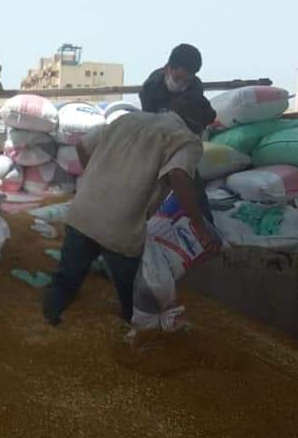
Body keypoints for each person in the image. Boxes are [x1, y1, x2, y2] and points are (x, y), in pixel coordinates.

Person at [42, 110, 220, 326]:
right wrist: (199, 225)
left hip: (83, 213)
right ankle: (131, 328)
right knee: (131, 294)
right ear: (200, 127)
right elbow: (178, 174)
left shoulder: (128, 119)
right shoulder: (186, 139)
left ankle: (49, 321)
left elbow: (82, 145)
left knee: (65, 279)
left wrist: (94, 176)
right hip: (122, 225)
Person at [139, 44, 217, 222]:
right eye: (178, 78)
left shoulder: (195, 87)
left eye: (186, 81)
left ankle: (206, 224)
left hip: (182, 141)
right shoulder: (150, 88)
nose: (181, 84)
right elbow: (147, 124)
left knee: (192, 183)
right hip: (155, 141)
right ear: (168, 68)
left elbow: (197, 120)